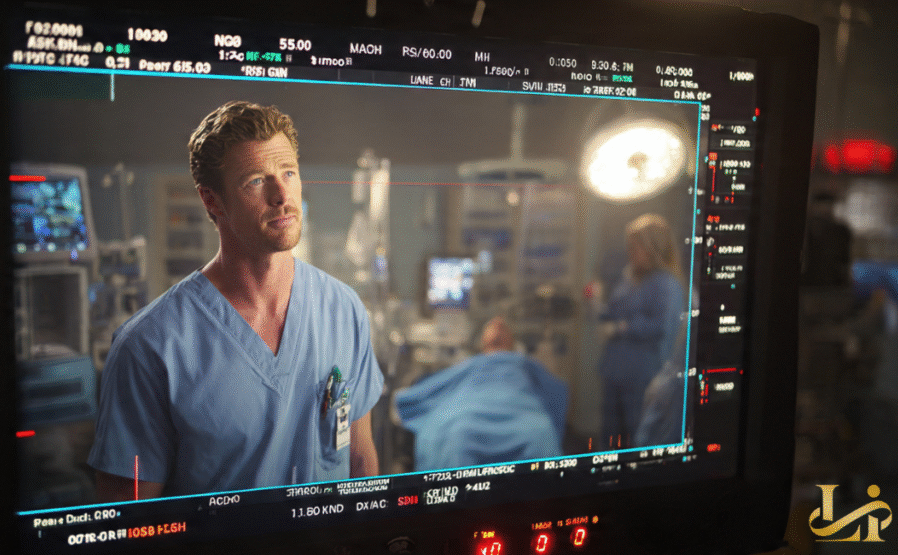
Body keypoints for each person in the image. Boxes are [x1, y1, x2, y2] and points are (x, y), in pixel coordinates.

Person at [88, 101, 384, 501]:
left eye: (289, 173)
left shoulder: (343, 310)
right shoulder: (150, 348)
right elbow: (130, 521)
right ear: (212, 200)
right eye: (255, 181)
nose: (281, 195)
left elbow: (360, 460)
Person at [394, 317, 567, 471]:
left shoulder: (522, 363)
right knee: (458, 436)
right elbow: (440, 385)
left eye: (503, 328)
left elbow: (557, 391)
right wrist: (408, 398)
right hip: (470, 412)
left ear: (512, 343)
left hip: (522, 412)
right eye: (493, 327)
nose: (498, 328)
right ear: (482, 343)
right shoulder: (473, 364)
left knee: (540, 434)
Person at [595, 213, 684, 449]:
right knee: (610, 440)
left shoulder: (667, 285)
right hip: (615, 371)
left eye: (637, 248)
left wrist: (623, 327)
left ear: (654, 248)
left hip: (642, 376)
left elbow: (661, 326)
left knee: (639, 440)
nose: (631, 253)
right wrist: (595, 303)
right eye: (630, 248)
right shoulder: (630, 279)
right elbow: (612, 312)